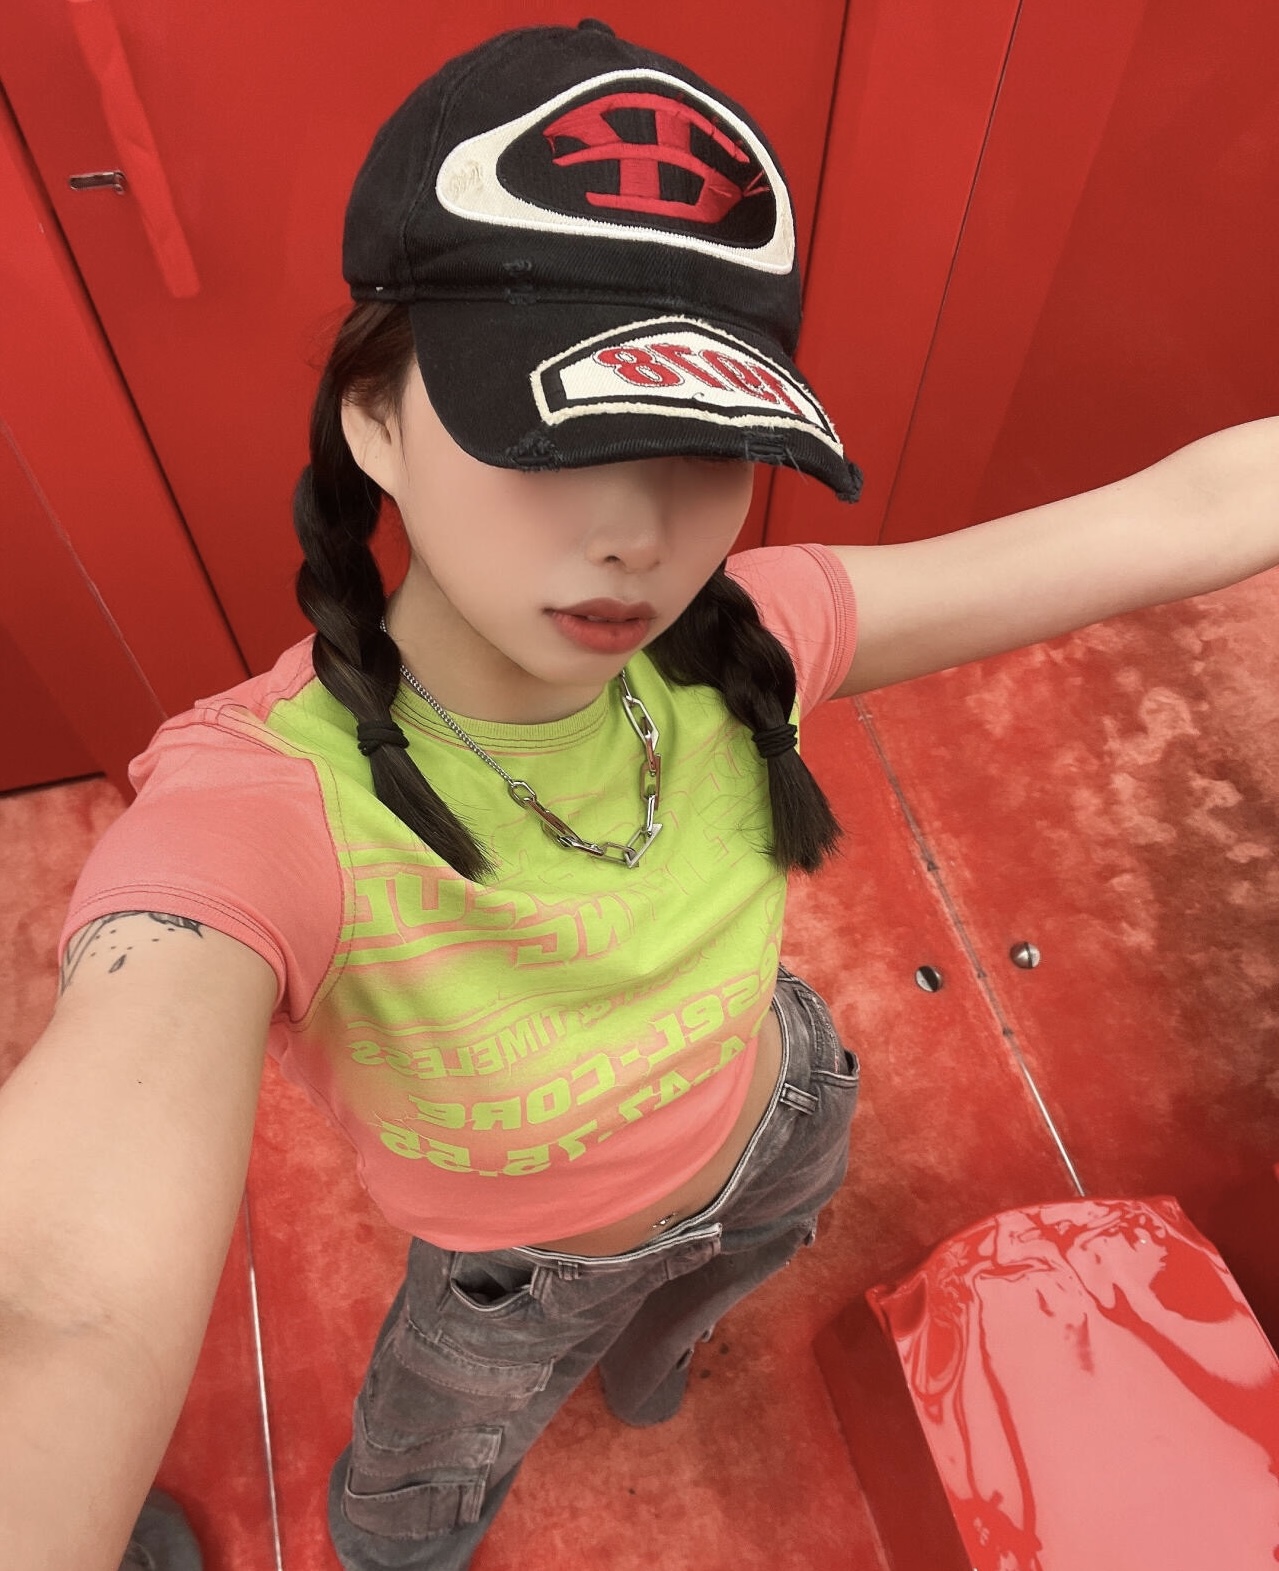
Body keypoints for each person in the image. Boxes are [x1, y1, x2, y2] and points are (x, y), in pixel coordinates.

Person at [1, 18, 1276, 1571]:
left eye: (702, 443)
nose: (637, 534)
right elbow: (54, 1305)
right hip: (516, 1277)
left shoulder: (755, 634)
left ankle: (659, 1354)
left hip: (782, 1112)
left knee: (722, 1276)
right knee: (415, 1501)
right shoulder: (264, 806)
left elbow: (1178, 514)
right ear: (375, 418)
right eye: (553, 440)